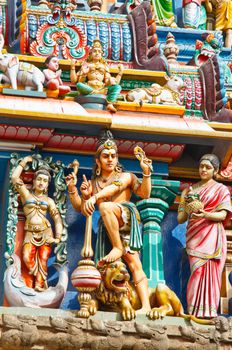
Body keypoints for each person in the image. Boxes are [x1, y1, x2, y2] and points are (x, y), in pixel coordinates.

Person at [66, 131, 152, 313]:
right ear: (98, 161)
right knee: (119, 265)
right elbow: (82, 209)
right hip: (109, 229)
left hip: (125, 217)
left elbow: (144, 193)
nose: (110, 159)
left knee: (105, 207)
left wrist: (145, 173)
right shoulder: (94, 182)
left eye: (113, 156)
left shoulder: (126, 176)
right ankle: (109, 302)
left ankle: (146, 306)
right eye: (105, 156)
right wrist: (75, 190)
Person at [177, 154, 232, 318]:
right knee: (197, 271)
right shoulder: (188, 191)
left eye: (207, 167)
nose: (203, 170)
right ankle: (193, 310)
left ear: (215, 171)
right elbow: (180, 219)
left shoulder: (221, 189)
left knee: (211, 271)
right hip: (194, 235)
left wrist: (204, 214)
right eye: (201, 166)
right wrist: (188, 207)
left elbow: (223, 215)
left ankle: (208, 311)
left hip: (212, 235)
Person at [11, 156, 63, 292]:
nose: (41, 183)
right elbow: (15, 178)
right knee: (27, 257)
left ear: (47, 185)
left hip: (46, 233)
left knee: (44, 259)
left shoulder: (49, 201)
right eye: (39, 179)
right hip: (30, 233)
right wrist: (23, 162)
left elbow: (57, 219)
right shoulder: (26, 195)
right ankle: (37, 277)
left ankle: (39, 285)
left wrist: (57, 237)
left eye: (45, 181)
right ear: (33, 181)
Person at [70, 38, 123, 113]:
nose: (97, 53)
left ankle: (110, 103)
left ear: (101, 55)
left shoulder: (105, 66)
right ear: (90, 54)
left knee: (117, 87)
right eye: (94, 51)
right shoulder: (86, 64)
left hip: (102, 88)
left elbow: (108, 82)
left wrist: (120, 73)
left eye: (99, 52)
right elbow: (75, 81)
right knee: (79, 85)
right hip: (90, 88)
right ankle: (97, 92)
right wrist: (76, 69)